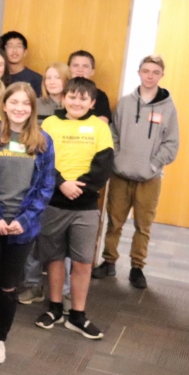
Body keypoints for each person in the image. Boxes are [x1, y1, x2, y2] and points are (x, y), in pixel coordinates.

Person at [0, 83, 54, 365]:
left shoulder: (43, 140)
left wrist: (24, 221)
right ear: (4, 105)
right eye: (13, 102)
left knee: (8, 287)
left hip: (21, 229)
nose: (19, 108)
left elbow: (45, 186)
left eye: (25, 104)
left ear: (32, 108)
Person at [34, 77, 112, 340]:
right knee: (54, 258)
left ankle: (77, 314)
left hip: (85, 206)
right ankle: (55, 307)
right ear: (63, 97)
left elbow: (103, 167)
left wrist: (79, 188)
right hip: (54, 201)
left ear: (91, 102)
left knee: (82, 262)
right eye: (72, 96)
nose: (77, 102)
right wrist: (61, 184)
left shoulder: (99, 128)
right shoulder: (50, 124)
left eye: (83, 98)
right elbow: (42, 161)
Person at [93, 55, 179, 289]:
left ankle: (137, 267)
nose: (150, 76)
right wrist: (117, 159)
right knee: (114, 220)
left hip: (150, 178)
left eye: (155, 72)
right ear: (139, 72)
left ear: (162, 75)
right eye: (146, 71)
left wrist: (153, 165)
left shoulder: (168, 107)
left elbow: (171, 144)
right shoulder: (125, 103)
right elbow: (113, 134)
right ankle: (109, 261)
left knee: (143, 225)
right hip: (120, 174)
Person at [67, 50, 113, 122]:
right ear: (68, 69)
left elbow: (102, 124)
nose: (80, 70)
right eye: (76, 65)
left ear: (92, 71)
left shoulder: (100, 96)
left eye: (85, 66)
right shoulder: (61, 91)